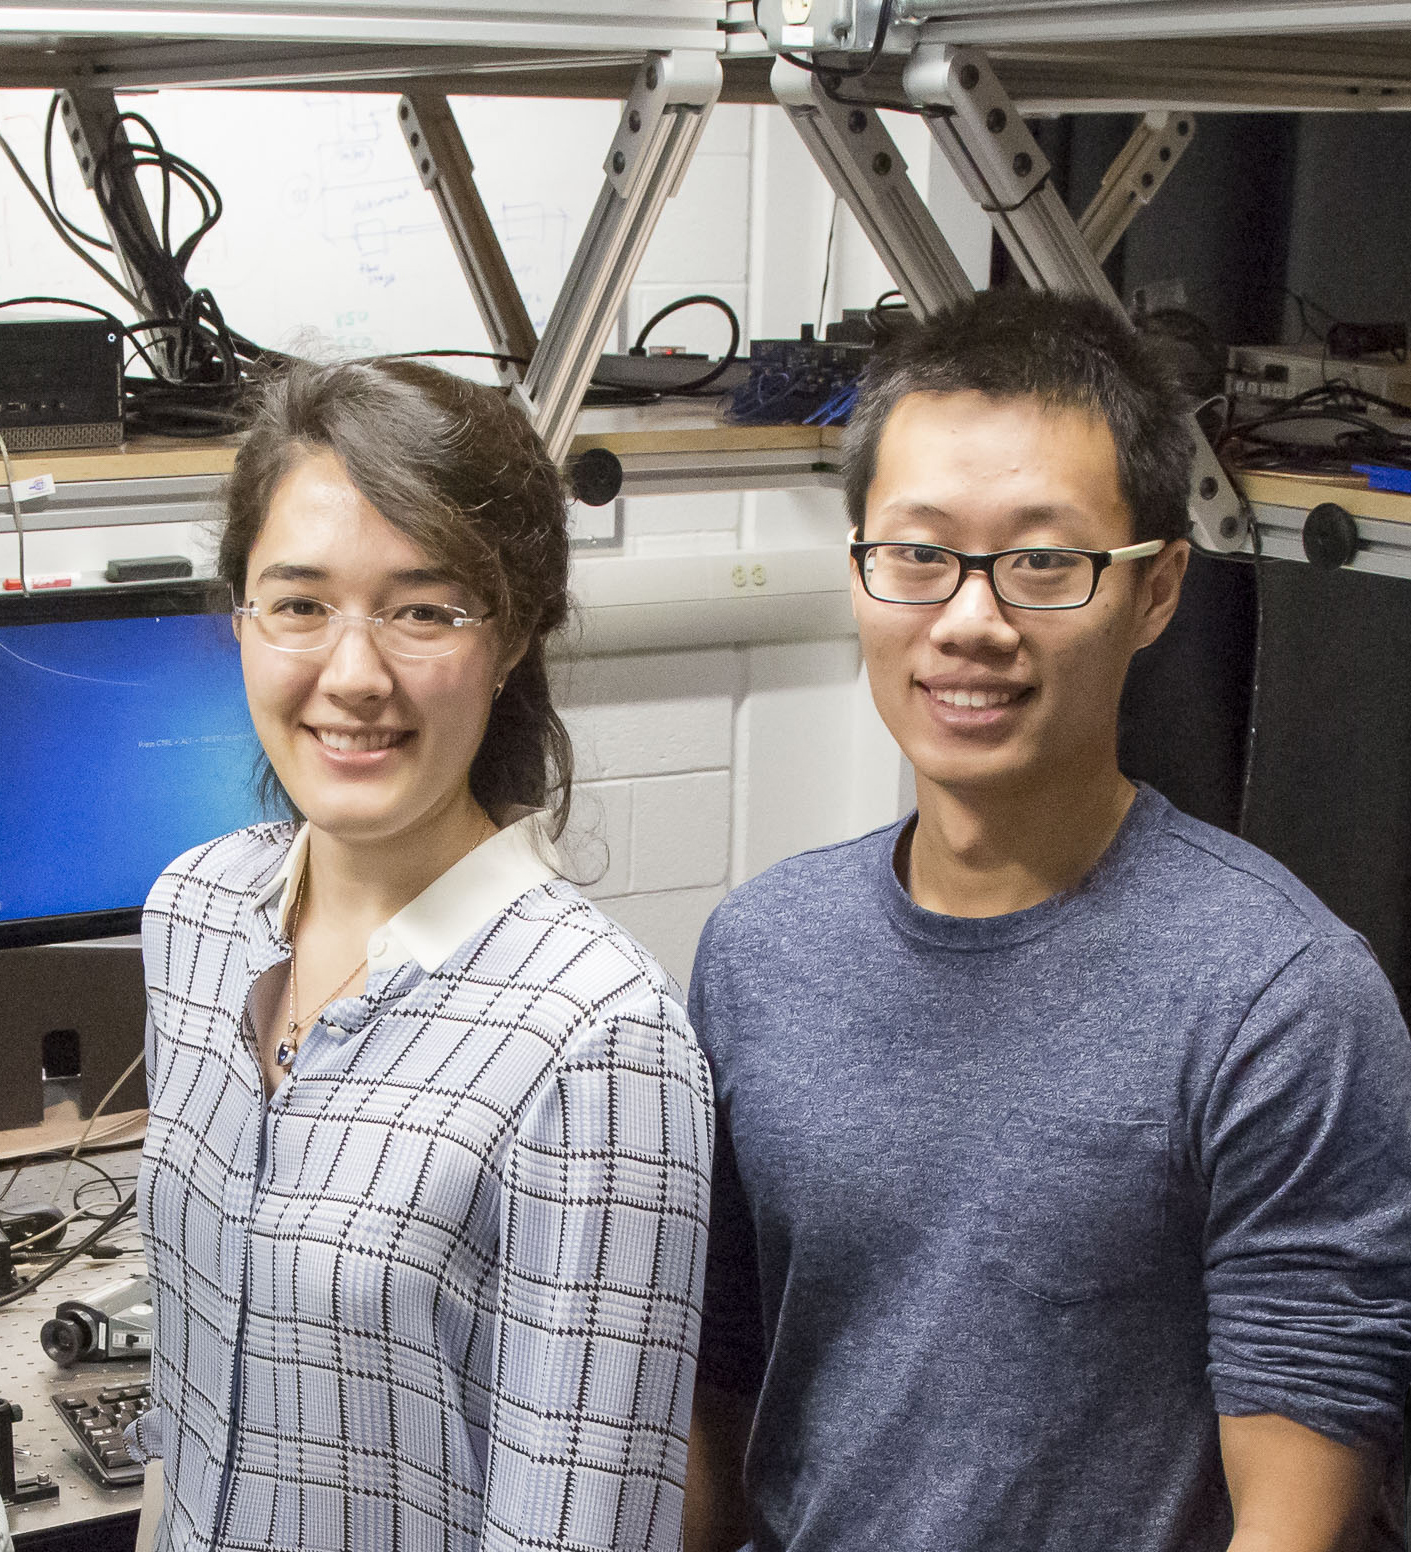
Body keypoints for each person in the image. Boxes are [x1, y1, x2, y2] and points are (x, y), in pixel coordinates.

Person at [684, 291, 1411, 1552]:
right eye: (916, 554)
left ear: (1156, 591)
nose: (970, 620)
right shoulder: (761, 948)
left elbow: (1297, 1519)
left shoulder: (1280, 998)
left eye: (1041, 561)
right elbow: (720, 1400)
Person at [128, 358, 713, 1552]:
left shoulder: (598, 1042)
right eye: (298, 603)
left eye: (424, 608)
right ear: (239, 620)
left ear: (513, 638)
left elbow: (575, 1533)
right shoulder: (192, 915)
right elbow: (181, 1431)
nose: (352, 674)